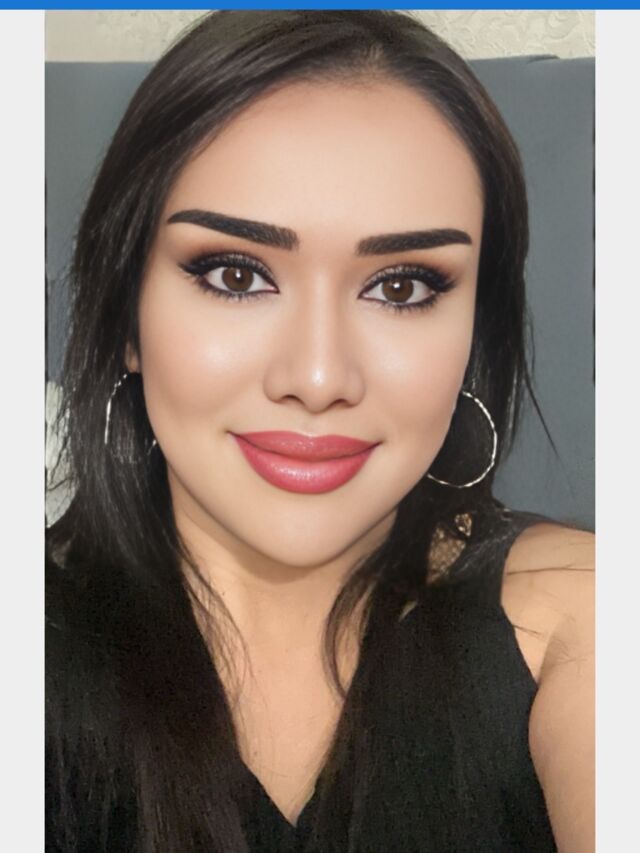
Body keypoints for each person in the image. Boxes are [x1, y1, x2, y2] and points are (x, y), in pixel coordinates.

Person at [45, 10, 594, 853]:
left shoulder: (578, 616)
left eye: (402, 287)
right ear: (128, 318)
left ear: (474, 333)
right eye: (236, 275)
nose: (317, 376)